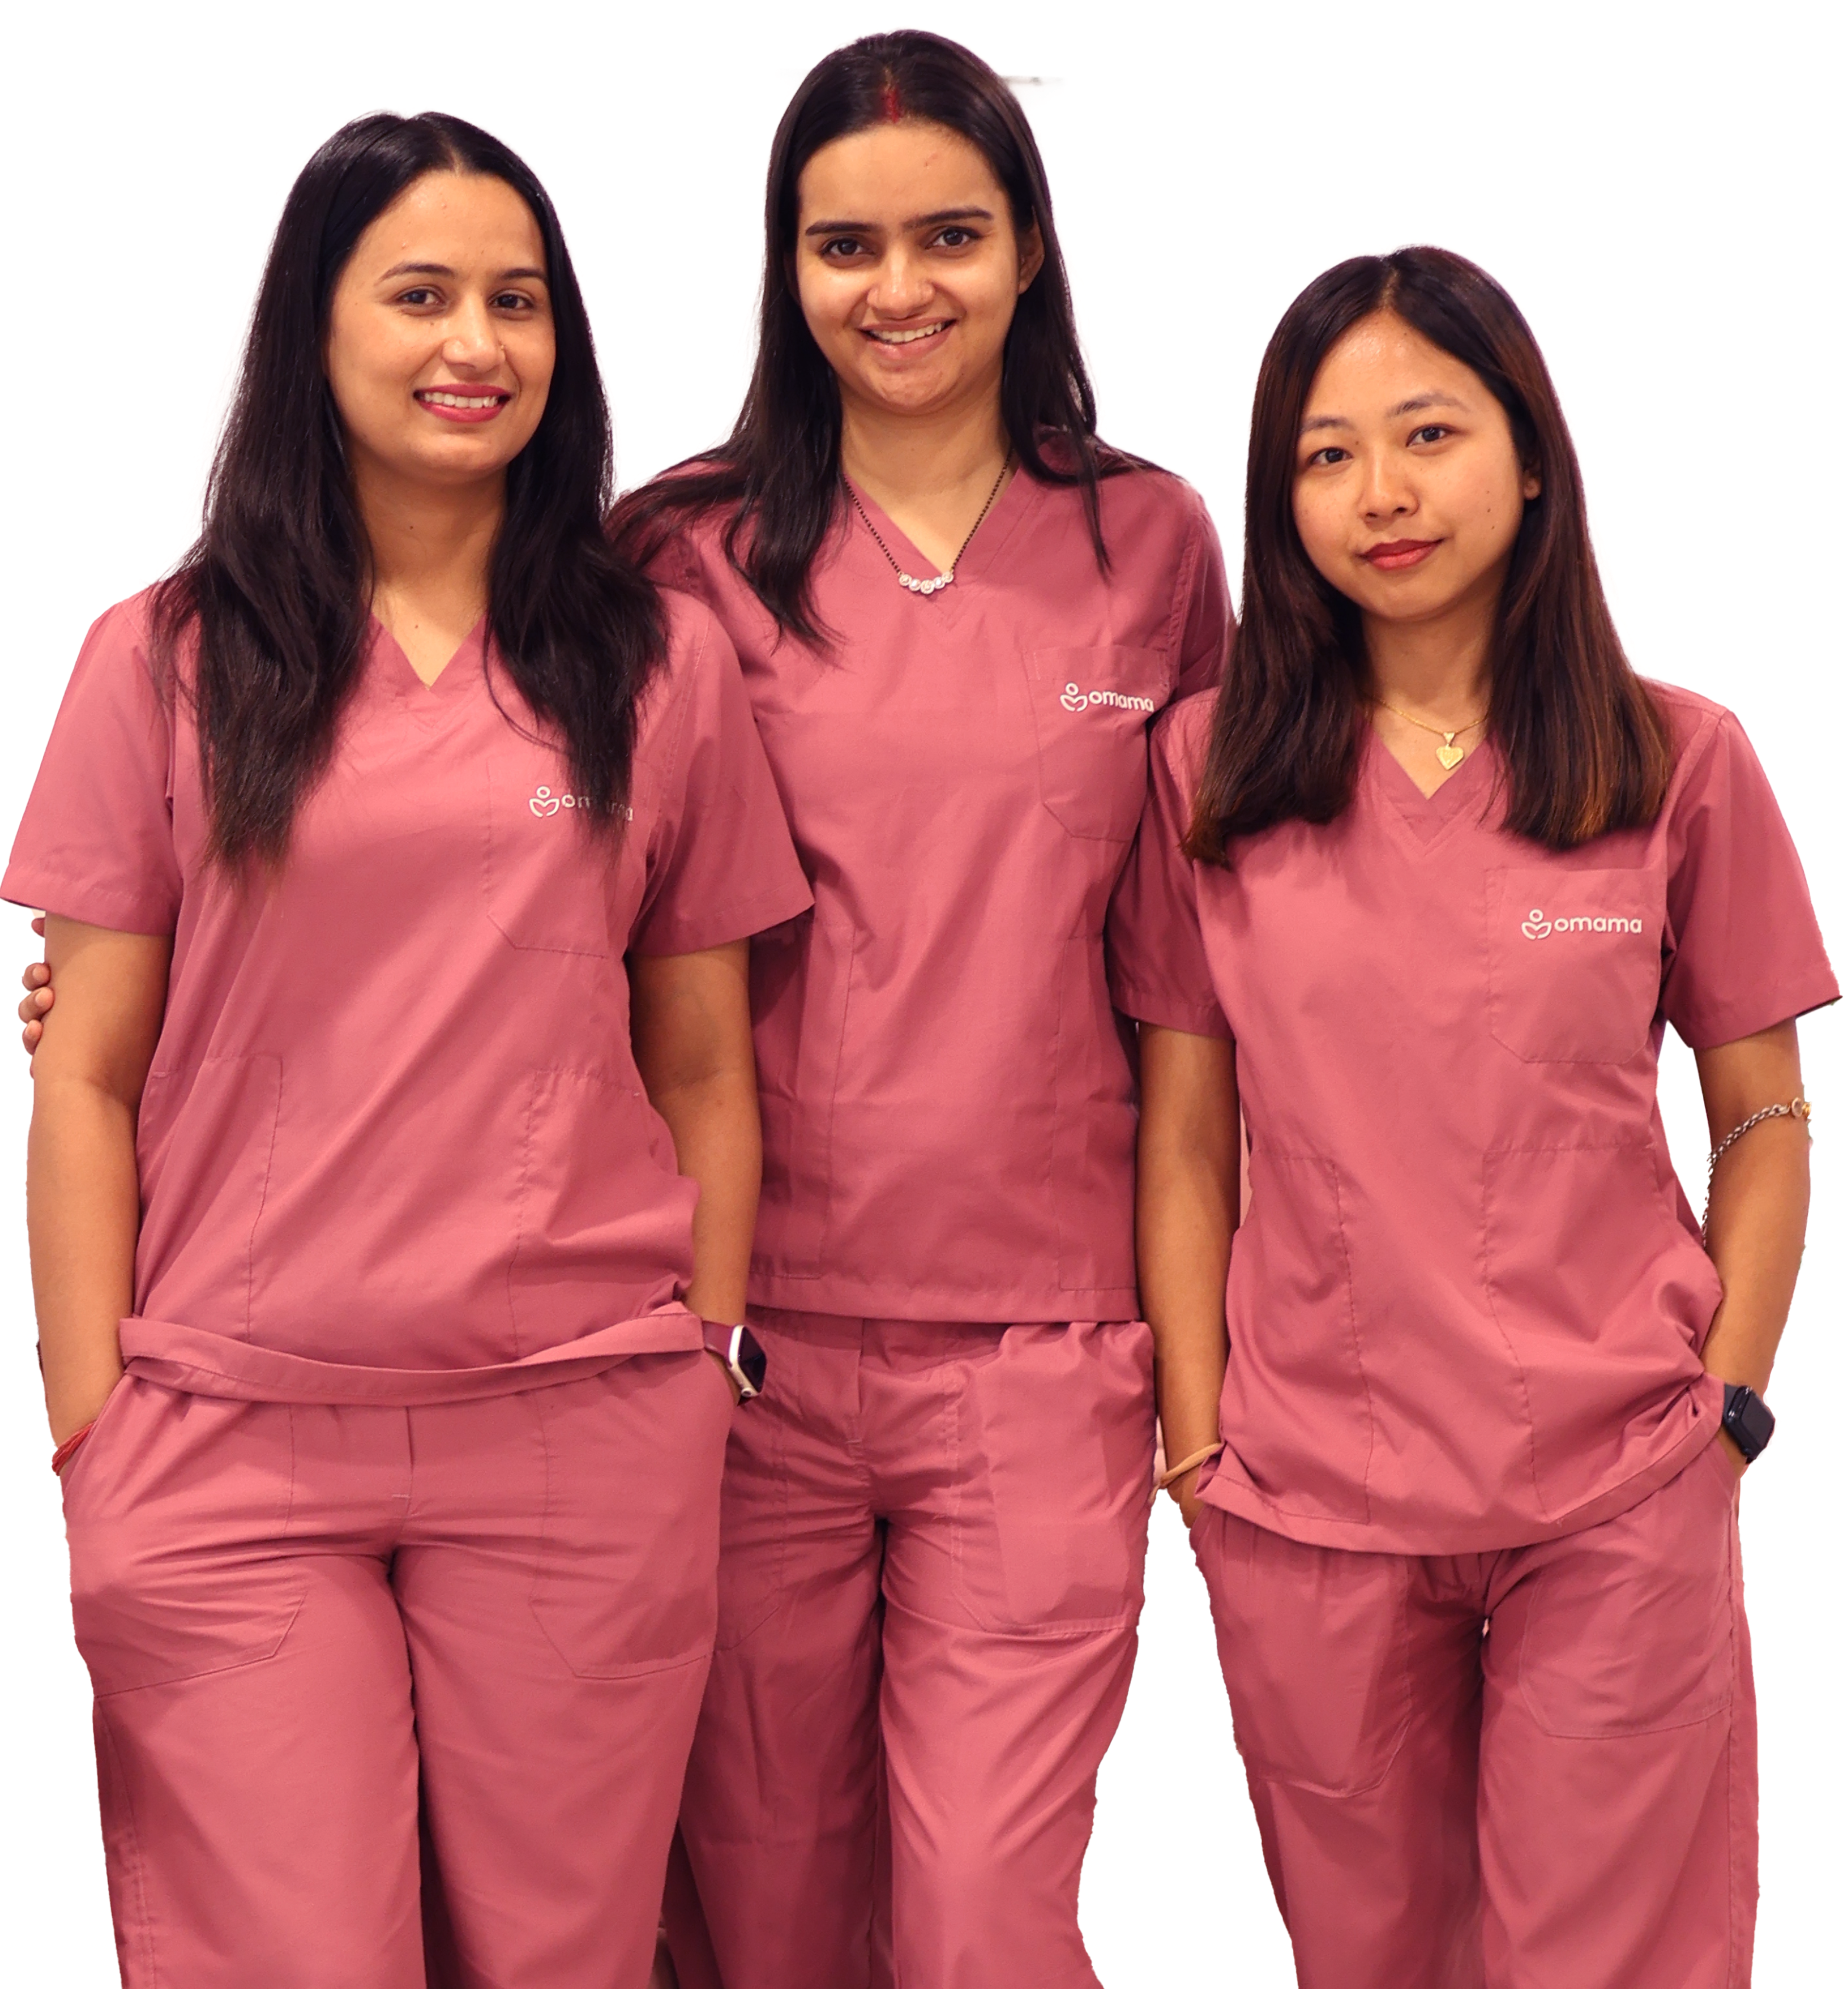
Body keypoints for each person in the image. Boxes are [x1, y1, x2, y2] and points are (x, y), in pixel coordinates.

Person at [6, 107, 810, 1989]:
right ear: (314, 330)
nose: (478, 345)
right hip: (231, 1436)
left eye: (518, 302)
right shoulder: (165, 660)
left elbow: (705, 1062)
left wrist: (695, 1357)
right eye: (423, 295)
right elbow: (85, 1074)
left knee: (562, 1958)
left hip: (579, 1426)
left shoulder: (652, 661)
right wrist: (89, 1426)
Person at [1111, 239, 1835, 1988]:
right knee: (1371, 1961)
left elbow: (1762, 1119)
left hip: (1614, 1485)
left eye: (1426, 434)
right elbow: (1185, 1140)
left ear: (1529, 451)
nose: (1381, 494)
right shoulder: (1205, 774)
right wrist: (1201, 1452)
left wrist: (1726, 1392)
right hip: (1309, 1501)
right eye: (1324, 454)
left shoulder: (1678, 760)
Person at [610, 27, 1230, 1989]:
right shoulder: (676, 551)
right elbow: (494, 865)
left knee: (982, 1924)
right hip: (739, 1348)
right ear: (785, 268)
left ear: (1033, 247)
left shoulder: (1156, 543)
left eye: (953, 235)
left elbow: (1213, 963)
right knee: (766, 1916)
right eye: (847, 244)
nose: (902, 291)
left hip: (1046, 1353)